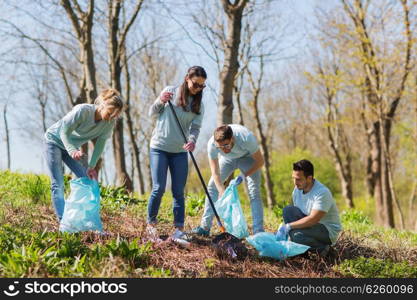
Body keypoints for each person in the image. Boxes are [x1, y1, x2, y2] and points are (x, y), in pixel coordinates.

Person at [146, 66, 207, 243]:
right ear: (187, 78)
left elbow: (195, 128)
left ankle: (179, 229)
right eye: (196, 84)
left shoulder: (198, 105)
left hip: (180, 151)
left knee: (178, 191)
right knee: (158, 188)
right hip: (159, 147)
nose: (198, 89)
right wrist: (160, 101)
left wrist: (193, 141)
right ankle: (151, 225)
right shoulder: (170, 92)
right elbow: (152, 113)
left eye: (202, 86)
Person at [44, 89, 123, 221]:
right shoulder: (83, 111)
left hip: (71, 148)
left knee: (87, 179)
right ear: (102, 104)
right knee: (58, 184)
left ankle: (81, 219)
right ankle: (63, 221)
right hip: (54, 141)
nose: (111, 118)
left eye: (114, 116)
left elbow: (100, 145)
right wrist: (72, 150)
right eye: (110, 113)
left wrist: (91, 166)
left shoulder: (109, 123)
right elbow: (64, 131)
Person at [192, 124, 265, 236]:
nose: (224, 149)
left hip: (248, 158)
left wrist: (243, 175)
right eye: (220, 147)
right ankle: (205, 227)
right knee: (212, 186)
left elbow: (260, 161)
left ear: (232, 139)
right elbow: (215, 173)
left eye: (226, 145)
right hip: (228, 160)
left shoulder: (246, 137)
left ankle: (258, 232)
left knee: (254, 191)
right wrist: (222, 191)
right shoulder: (212, 145)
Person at [275, 159, 342, 256]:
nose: (295, 182)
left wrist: (289, 226)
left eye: (298, 179)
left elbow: (313, 219)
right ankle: (302, 245)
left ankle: (325, 250)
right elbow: (297, 213)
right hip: (310, 224)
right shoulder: (297, 190)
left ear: (309, 178)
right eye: (293, 178)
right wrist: (283, 226)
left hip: (326, 230)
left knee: (297, 235)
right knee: (287, 210)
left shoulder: (322, 193)